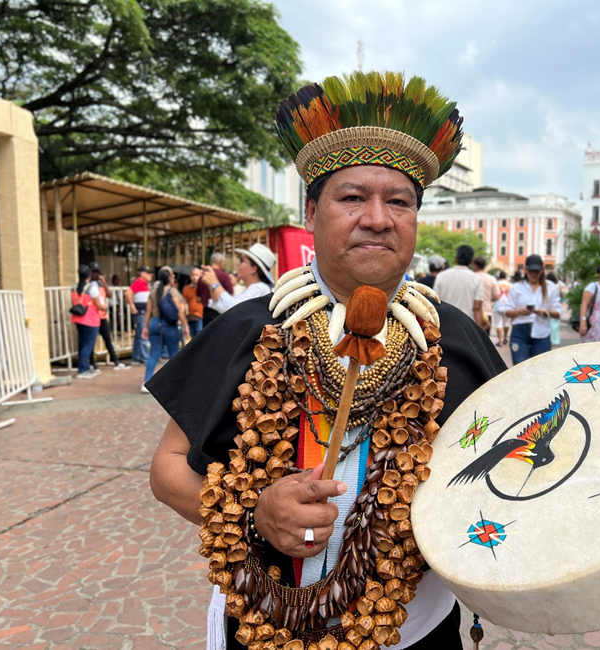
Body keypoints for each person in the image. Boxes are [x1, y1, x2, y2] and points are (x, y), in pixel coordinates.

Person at [148, 71, 507, 650]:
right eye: (352, 198)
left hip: (413, 631)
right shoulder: (250, 328)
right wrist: (253, 515)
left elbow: (510, 475)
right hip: (266, 620)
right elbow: (167, 469)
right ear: (312, 211)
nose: (378, 218)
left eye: (399, 201)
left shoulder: (456, 340)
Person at [504, 254, 561, 364]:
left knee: (540, 370)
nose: (534, 274)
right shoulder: (517, 287)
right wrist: (519, 311)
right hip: (520, 331)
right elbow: (507, 312)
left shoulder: (550, 288)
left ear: (542, 271)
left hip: (542, 332)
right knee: (520, 369)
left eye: (537, 271)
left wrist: (545, 312)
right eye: (531, 271)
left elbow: (558, 313)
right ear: (526, 270)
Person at [142, 267, 189, 390]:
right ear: (169, 278)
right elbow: (178, 311)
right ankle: (176, 383)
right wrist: (185, 325)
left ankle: (146, 382)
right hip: (169, 326)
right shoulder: (172, 291)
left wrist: (145, 327)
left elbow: (148, 310)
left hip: (154, 324)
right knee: (174, 354)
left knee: (154, 354)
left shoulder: (153, 291)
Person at [201, 243, 275, 312]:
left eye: (242, 260)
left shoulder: (259, 288)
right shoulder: (252, 288)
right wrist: (211, 285)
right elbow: (222, 307)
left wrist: (215, 283)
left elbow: (235, 309)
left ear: (253, 269)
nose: (238, 264)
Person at [432, 245, 485, 330]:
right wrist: (481, 333)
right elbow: (477, 308)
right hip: (467, 326)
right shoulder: (476, 279)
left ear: (456, 258)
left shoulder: (441, 276)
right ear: (472, 261)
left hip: (444, 325)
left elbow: (435, 301)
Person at [89, 268, 127, 369]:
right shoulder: (90, 287)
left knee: (107, 339)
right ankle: (92, 363)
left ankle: (116, 361)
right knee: (91, 342)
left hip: (102, 316)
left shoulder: (101, 286)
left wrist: (104, 282)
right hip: (93, 317)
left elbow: (109, 295)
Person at [71, 264, 104, 379]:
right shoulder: (91, 288)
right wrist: (105, 307)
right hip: (91, 319)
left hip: (78, 318)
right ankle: (83, 369)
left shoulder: (74, 287)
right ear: (89, 275)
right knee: (88, 345)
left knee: (82, 344)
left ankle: (83, 366)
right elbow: (99, 305)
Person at [196, 252, 234, 326]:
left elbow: (198, 298)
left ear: (211, 262)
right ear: (220, 262)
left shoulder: (203, 276)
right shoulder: (224, 276)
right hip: (221, 312)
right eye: (223, 263)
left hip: (206, 311)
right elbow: (231, 294)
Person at [125, 265, 152, 365]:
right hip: (141, 312)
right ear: (142, 273)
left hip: (141, 312)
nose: (151, 275)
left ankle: (136, 358)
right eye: (148, 273)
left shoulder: (143, 283)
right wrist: (132, 307)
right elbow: (128, 293)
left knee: (139, 335)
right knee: (143, 335)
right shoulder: (139, 282)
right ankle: (145, 358)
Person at [473, 256, 500, 335]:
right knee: (485, 339)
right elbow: (497, 296)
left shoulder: (472, 277)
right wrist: (489, 299)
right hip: (487, 312)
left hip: (473, 312)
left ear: (474, 265)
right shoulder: (491, 279)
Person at [183, 266, 205, 337]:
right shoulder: (186, 289)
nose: (194, 277)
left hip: (201, 316)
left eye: (197, 275)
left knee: (199, 336)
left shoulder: (204, 287)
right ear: (190, 276)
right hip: (190, 316)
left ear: (200, 276)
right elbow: (184, 303)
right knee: (192, 337)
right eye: (193, 275)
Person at [493, 270, 512, 347]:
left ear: (499, 277)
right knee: (506, 323)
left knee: (498, 323)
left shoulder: (496, 284)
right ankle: (505, 338)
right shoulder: (511, 285)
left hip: (498, 305)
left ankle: (500, 341)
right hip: (507, 305)